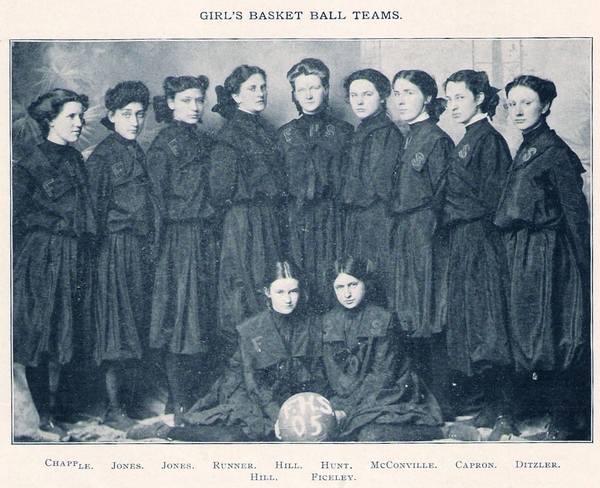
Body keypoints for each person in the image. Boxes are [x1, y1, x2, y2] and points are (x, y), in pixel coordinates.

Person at [128, 261, 326, 442]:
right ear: (267, 292)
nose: (288, 299)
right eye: (280, 292)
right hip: (249, 392)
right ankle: (164, 431)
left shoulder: (311, 325)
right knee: (236, 436)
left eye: (293, 291)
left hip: (289, 395)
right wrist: (279, 417)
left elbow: (317, 374)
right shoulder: (252, 328)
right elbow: (253, 384)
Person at [495, 75, 590, 440]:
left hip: (549, 257)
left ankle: (563, 421)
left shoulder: (555, 151)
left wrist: (583, 271)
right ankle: (526, 413)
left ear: (546, 106)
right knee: (524, 335)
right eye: (512, 103)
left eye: (526, 103)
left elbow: (575, 214)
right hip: (522, 253)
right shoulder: (527, 147)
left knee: (555, 334)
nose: (517, 110)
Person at [13, 89, 96, 435]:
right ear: (50, 119)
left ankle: (62, 410)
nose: (79, 124)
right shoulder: (31, 163)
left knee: (70, 331)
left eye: (80, 117)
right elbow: (13, 219)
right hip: (43, 259)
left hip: (74, 256)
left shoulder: (75, 159)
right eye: (71, 117)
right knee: (42, 334)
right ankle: (44, 413)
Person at [441, 70, 515, 437]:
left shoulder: (489, 141)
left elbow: (494, 201)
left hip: (481, 241)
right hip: (463, 240)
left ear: (480, 99)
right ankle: (489, 406)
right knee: (472, 325)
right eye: (450, 98)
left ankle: (505, 411)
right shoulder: (469, 138)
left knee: (490, 325)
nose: (453, 105)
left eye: (460, 98)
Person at [145, 75, 218, 425]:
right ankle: (177, 402)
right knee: (180, 319)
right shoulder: (162, 145)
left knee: (202, 317)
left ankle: (194, 399)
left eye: (199, 100)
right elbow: (155, 204)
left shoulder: (206, 141)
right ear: (171, 102)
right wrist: (161, 253)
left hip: (206, 239)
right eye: (186, 100)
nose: (194, 107)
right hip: (177, 242)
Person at [86, 81, 154, 429]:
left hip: (138, 250)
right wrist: (103, 261)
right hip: (113, 251)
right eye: (126, 114)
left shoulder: (136, 151)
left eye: (140, 114)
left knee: (135, 324)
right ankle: (113, 410)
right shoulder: (101, 157)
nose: (134, 121)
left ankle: (131, 403)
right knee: (116, 329)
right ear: (111, 116)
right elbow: (92, 216)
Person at [321, 257, 444, 441]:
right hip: (346, 395)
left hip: (387, 393)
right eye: (340, 287)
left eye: (353, 285)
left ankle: (441, 432)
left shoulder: (383, 318)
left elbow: (383, 374)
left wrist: (348, 409)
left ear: (365, 283)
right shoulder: (328, 321)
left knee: (368, 434)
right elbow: (333, 374)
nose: (347, 294)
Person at [390, 69, 454, 419]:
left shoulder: (436, 139)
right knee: (411, 316)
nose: (400, 99)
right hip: (406, 234)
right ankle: (419, 401)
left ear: (428, 98)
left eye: (409, 92)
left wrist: (428, 241)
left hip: (426, 237)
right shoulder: (409, 137)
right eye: (397, 93)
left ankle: (441, 404)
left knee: (430, 314)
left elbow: (443, 199)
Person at [210, 65, 287, 351]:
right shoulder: (230, 134)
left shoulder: (261, 130)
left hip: (267, 219)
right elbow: (220, 192)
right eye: (252, 88)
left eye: (263, 87)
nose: (260, 93)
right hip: (243, 222)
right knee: (246, 287)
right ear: (236, 96)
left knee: (270, 282)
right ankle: (247, 363)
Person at [277, 58, 354, 314]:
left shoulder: (344, 132)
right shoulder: (284, 135)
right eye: (301, 89)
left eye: (314, 87)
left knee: (334, 272)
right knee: (299, 275)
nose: (308, 94)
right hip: (296, 219)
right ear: (294, 95)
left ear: (326, 89)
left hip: (333, 217)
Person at [341, 69, 404, 307]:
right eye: (354, 95)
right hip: (360, 220)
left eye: (367, 94)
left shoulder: (386, 133)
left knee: (377, 279)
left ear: (383, 96)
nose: (359, 101)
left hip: (378, 220)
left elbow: (380, 186)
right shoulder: (363, 130)